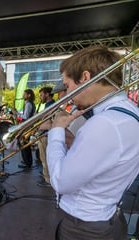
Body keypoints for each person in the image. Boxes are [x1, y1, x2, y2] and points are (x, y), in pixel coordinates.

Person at [47, 46, 139, 239]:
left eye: (68, 85)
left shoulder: (104, 123)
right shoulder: (130, 112)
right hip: (107, 217)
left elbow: (61, 181)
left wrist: (55, 131)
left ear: (85, 77)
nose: (68, 94)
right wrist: (75, 142)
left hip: (84, 228)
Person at [36, 86, 54, 187]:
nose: (41, 97)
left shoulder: (51, 105)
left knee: (45, 158)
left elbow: (49, 122)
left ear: (47, 94)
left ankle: (48, 180)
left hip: (46, 135)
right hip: (44, 135)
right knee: (44, 158)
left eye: (42, 95)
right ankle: (46, 175)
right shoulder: (48, 105)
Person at [18, 89, 35, 169]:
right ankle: (27, 161)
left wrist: (17, 114)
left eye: (25, 94)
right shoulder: (30, 103)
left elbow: (26, 117)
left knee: (24, 144)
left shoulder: (28, 104)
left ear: (29, 95)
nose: (23, 96)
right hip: (28, 126)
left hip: (27, 126)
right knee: (26, 145)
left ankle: (27, 162)